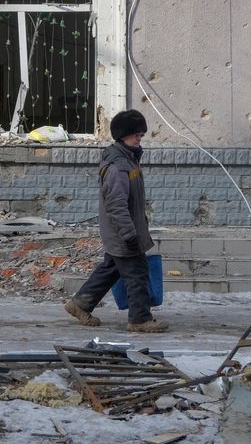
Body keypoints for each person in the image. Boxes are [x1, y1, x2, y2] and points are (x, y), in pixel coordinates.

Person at [64, 109, 169, 333]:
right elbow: (116, 205)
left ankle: (79, 304)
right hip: (123, 232)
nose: (139, 137)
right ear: (122, 135)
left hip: (122, 231)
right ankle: (140, 319)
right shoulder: (119, 166)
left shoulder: (127, 159)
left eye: (141, 133)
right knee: (137, 273)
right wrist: (129, 234)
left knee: (110, 269)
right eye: (135, 133)